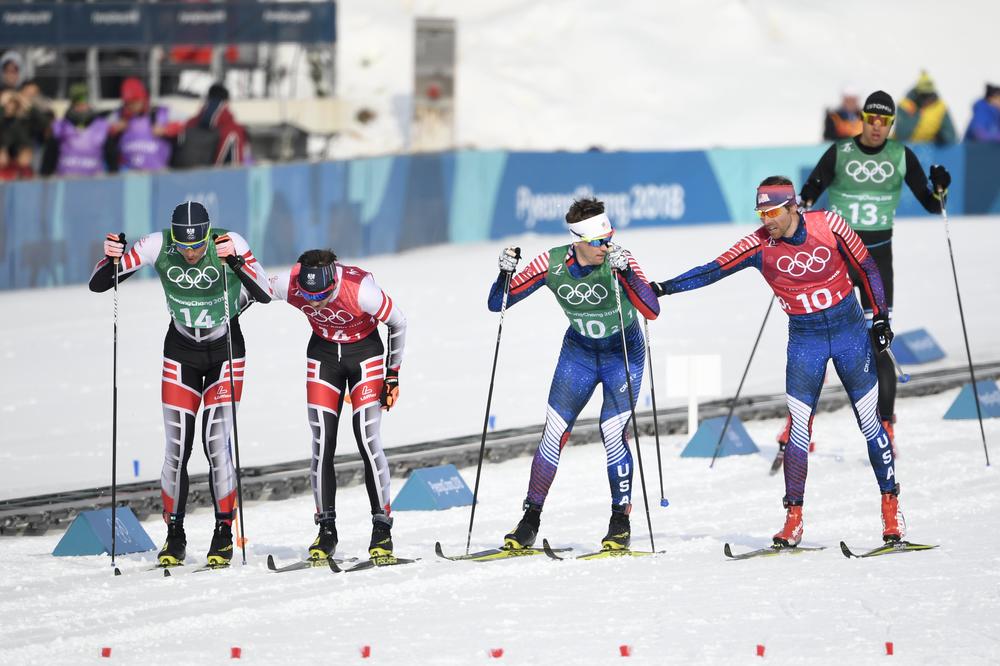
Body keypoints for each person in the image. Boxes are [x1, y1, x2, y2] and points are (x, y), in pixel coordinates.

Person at [650, 177, 902, 546]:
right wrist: (663, 288)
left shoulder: (829, 224)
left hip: (849, 335)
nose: (767, 220)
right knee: (798, 431)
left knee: (869, 424)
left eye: (773, 213)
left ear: (793, 207)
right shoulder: (758, 244)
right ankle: (793, 520)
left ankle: (891, 510)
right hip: (805, 341)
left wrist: (880, 317)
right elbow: (713, 269)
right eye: (761, 213)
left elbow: (867, 267)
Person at [89, 201, 272, 567]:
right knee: (176, 449)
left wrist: (235, 262)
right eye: (185, 246)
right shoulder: (157, 244)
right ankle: (175, 535)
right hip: (181, 350)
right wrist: (111, 257)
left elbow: (264, 292)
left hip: (225, 350)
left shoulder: (229, 240)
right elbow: (99, 284)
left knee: (216, 444)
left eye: (198, 245)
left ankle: (224, 532)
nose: (191, 253)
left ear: (208, 235)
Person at [489, 197, 660, 551]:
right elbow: (498, 303)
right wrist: (505, 273)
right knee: (553, 433)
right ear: (577, 240)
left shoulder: (619, 259)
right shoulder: (551, 263)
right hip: (579, 354)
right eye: (597, 242)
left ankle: (620, 522)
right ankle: (529, 521)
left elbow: (652, 310)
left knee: (612, 433)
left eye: (608, 238)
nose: (605, 247)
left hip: (622, 355)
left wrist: (627, 273)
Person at [793, 90, 951, 457]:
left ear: (891, 124)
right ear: (863, 120)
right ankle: (798, 428)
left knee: (880, 342)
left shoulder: (900, 155)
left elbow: (933, 204)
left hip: (876, 260)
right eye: (871, 120)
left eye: (885, 122)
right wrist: (806, 199)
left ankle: (886, 427)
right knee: (817, 339)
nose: (877, 127)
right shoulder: (840, 152)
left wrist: (942, 187)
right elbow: (810, 191)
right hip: (836, 257)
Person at [268, 249, 406, 561]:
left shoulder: (361, 291)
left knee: (367, 439)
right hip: (324, 356)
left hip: (365, 354)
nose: (315, 303)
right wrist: (235, 268)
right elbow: (258, 289)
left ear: (333, 282)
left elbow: (399, 322)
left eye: (322, 296)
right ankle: (326, 529)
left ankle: (382, 528)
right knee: (321, 443)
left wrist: (392, 375)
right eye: (308, 297)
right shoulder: (290, 283)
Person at [41, 82, 112, 177]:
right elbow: (49, 157)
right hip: (66, 180)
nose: (81, 108)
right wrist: (45, 176)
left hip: (93, 181)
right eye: (77, 105)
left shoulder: (100, 126)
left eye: (84, 104)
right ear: (72, 105)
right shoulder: (61, 126)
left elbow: (111, 156)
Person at [172, 83, 249, 168]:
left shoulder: (191, 123)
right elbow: (236, 164)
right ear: (227, 102)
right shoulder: (233, 129)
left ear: (207, 99)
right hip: (215, 173)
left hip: (183, 171)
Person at [106, 77, 172, 172]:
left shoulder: (160, 113)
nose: (132, 106)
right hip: (129, 173)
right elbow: (99, 130)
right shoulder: (118, 115)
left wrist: (166, 130)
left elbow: (183, 125)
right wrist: (113, 130)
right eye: (128, 103)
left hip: (157, 172)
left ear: (143, 99)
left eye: (135, 102)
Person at [894, 71, 957, 145]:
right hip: (901, 147)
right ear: (917, 93)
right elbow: (901, 135)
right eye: (924, 96)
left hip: (928, 149)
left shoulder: (941, 108)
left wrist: (941, 137)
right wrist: (916, 114)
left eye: (930, 95)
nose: (927, 99)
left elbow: (951, 136)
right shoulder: (904, 105)